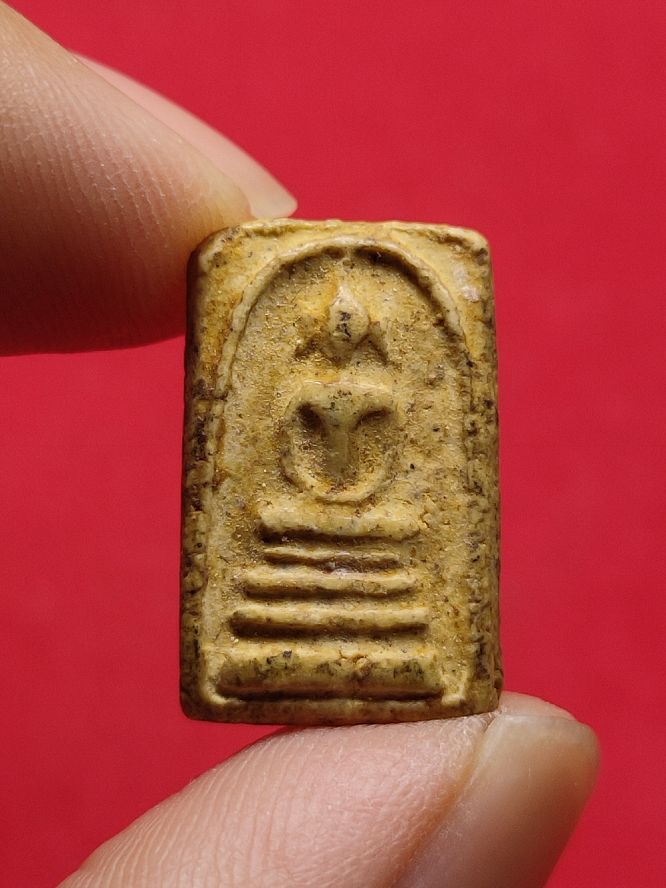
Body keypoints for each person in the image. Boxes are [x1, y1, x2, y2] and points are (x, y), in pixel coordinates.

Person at [1, 5, 599, 886]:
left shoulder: (382, 390)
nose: (345, 332)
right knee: (284, 520)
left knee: (383, 531)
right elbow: (292, 463)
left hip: (371, 522)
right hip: (304, 516)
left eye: (355, 327)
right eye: (335, 326)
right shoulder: (311, 390)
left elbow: (383, 470)